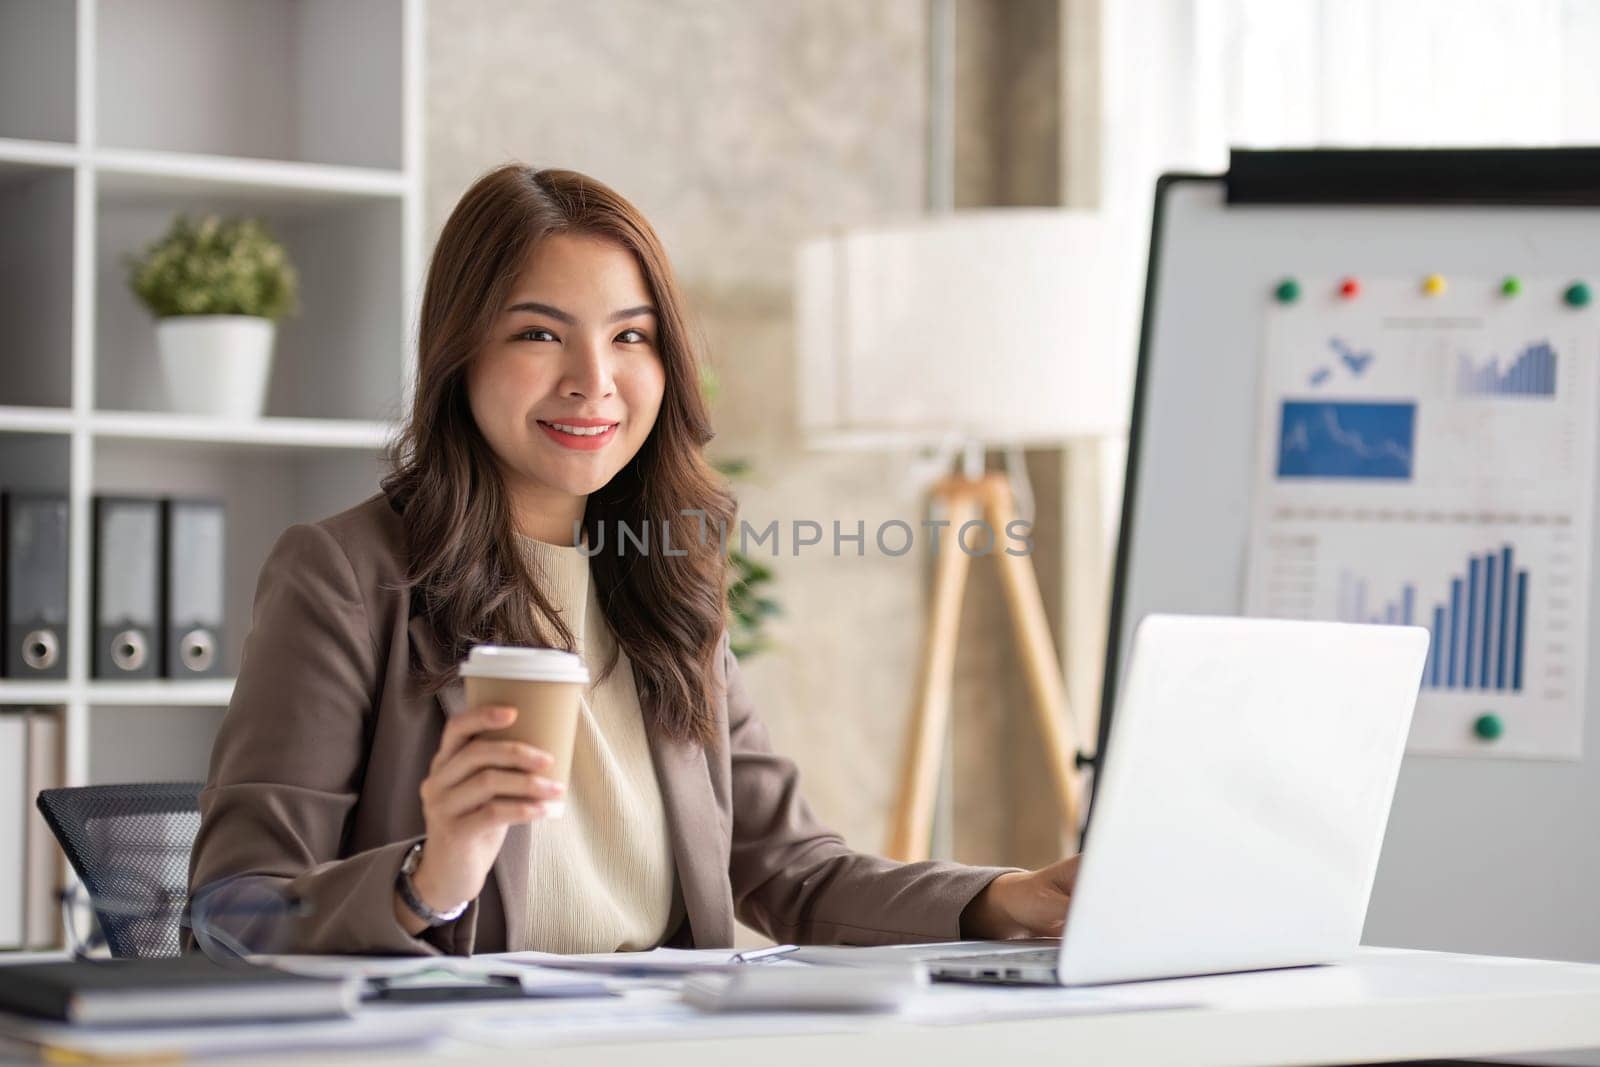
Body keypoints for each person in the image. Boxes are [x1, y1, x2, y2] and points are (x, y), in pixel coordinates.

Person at [186, 164, 1081, 957]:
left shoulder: (662, 574)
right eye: (539, 334)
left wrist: (1004, 900)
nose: (593, 379)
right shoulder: (345, 575)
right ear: (460, 354)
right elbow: (233, 910)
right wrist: (431, 875)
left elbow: (787, 868)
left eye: (630, 336)